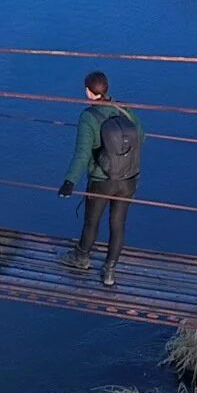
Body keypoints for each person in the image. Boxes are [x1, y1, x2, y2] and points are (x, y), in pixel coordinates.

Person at [56, 70, 143, 287]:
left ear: (88, 92)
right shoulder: (124, 109)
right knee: (118, 223)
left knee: (92, 221)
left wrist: (69, 182)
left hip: (102, 180)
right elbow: (141, 136)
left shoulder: (88, 117)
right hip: (128, 179)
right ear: (106, 89)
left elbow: (83, 153)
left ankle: (82, 257)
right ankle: (109, 271)